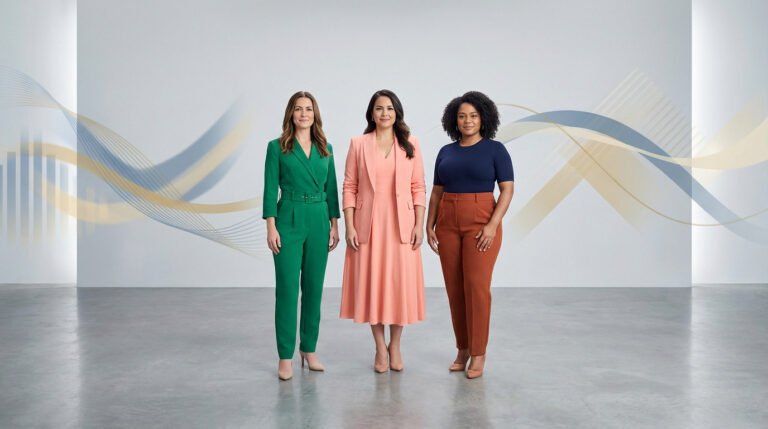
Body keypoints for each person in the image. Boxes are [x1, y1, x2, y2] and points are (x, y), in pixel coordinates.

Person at [426, 91, 514, 379]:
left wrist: (492, 225)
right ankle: (462, 348)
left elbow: (507, 190)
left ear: (484, 118)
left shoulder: (496, 150)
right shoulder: (446, 152)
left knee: (476, 288)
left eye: (473, 115)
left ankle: (478, 353)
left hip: (481, 221)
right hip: (447, 221)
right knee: (454, 289)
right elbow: (437, 192)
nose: (467, 120)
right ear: (455, 119)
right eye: (462, 115)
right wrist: (429, 224)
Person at [340, 89, 427, 373]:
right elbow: (350, 186)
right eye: (379, 108)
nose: (384, 113)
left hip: (401, 226)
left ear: (397, 112)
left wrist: (418, 223)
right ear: (372, 113)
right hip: (369, 226)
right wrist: (350, 225)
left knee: (399, 286)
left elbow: (418, 187)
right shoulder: (358, 144)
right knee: (373, 286)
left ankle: (396, 345)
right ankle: (379, 347)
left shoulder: (410, 144)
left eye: (389, 108)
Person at [263, 91, 341, 381]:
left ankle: (309, 349)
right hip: (289, 217)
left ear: (315, 114)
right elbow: (270, 189)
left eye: (308, 109)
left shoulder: (326, 148)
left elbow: (331, 188)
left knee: (314, 288)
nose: (304, 114)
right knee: (286, 289)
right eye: (298, 109)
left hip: (319, 218)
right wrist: (271, 226)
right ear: (291, 114)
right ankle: (285, 356)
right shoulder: (277, 147)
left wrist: (335, 224)